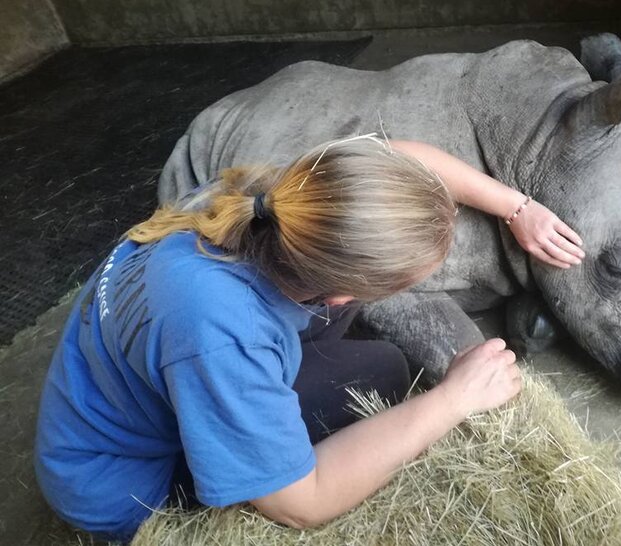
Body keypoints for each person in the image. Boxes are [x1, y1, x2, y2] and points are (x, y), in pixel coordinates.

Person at [34, 134, 585, 542]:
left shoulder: (291, 198)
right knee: (383, 372)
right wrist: (452, 399)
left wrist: (519, 208)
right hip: (119, 480)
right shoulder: (224, 331)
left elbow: (401, 158)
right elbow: (300, 503)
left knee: (366, 363)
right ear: (337, 292)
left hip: (127, 373)